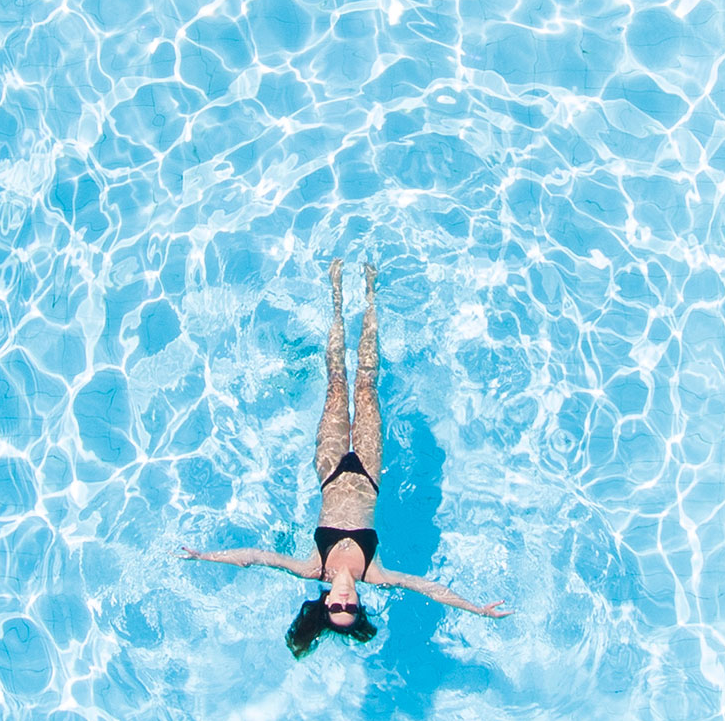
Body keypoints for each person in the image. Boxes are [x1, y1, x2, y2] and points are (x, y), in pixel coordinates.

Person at [179, 260, 511, 657]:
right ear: (358, 605)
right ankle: (371, 294)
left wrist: (205, 556)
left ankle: (335, 297)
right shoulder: (376, 573)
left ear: (324, 603)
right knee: (366, 385)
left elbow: (254, 558)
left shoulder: (312, 567)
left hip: (331, 468)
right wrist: (477, 609)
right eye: (350, 609)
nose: (343, 601)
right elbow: (429, 589)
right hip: (368, 471)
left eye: (334, 607)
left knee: (337, 383)